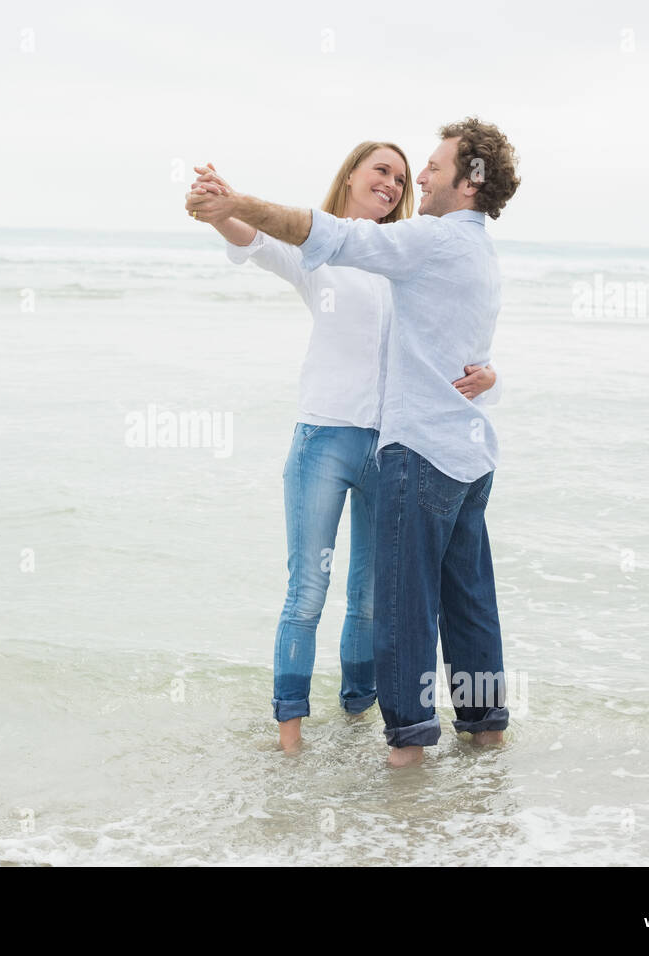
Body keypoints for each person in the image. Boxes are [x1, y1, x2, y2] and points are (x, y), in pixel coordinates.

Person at [187, 117, 521, 767]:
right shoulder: (475, 252)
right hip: (438, 453)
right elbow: (285, 241)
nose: (414, 178)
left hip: (412, 450)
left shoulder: (421, 244)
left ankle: (405, 748)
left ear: (469, 180)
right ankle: (483, 734)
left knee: (396, 606)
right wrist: (225, 211)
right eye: (393, 170)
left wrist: (239, 200)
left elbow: (331, 235)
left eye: (427, 167)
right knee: (463, 603)